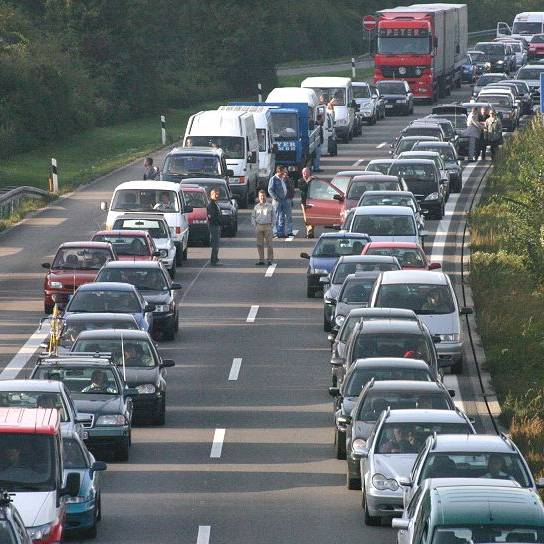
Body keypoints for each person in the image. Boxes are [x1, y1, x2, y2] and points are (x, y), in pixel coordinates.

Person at [251, 190, 274, 266]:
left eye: (263, 195)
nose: (262, 197)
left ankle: (270, 259)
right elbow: (253, 217)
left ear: (266, 196)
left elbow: (274, 216)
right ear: (258, 197)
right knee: (259, 244)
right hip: (259, 226)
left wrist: (272, 225)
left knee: (269, 244)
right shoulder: (256, 207)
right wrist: (255, 225)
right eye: (260, 196)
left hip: (268, 226)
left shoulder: (270, 206)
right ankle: (261, 259)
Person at [268, 165, 289, 238]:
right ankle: (275, 232)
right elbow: (270, 190)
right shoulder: (273, 179)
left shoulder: (282, 178)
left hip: (284, 200)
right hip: (277, 201)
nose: (284, 172)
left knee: (282, 217)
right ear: (279, 171)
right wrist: (276, 198)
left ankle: (281, 232)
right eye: (283, 171)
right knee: (276, 217)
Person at [207, 187, 223, 266]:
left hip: (217, 225)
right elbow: (212, 217)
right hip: (214, 226)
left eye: (217, 194)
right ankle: (213, 260)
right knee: (215, 244)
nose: (216, 196)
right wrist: (218, 222)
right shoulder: (211, 205)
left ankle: (215, 258)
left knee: (217, 243)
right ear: (211, 195)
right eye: (214, 194)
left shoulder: (216, 203)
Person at [300, 167, 315, 239]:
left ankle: (311, 232)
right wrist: (307, 182)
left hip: (313, 202)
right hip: (304, 202)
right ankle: (308, 232)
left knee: (312, 218)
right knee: (306, 219)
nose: (305, 174)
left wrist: (314, 179)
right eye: (303, 173)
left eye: (306, 172)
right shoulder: (300, 181)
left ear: (309, 173)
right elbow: (303, 188)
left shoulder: (312, 180)